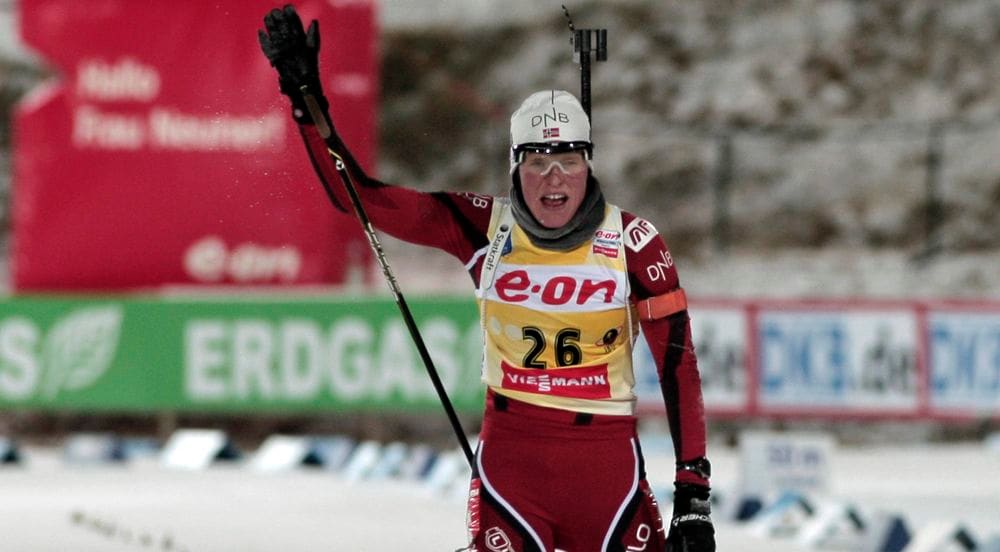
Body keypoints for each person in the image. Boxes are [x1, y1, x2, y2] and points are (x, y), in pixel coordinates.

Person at [259, 6, 715, 551]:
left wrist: (693, 494)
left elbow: (678, 366)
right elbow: (360, 197)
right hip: (512, 466)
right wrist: (307, 101)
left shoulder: (634, 243)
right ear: (515, 166)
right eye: (537, 161)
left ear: (588, 164)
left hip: (606, 469)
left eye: (569, 160)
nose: (554, 178)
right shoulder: (481, 225)